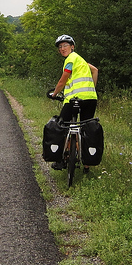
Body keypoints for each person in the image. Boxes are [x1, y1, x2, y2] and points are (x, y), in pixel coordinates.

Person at [47, 35, 98, 170]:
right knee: (86, 128)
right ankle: (87, 163)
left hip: (74, 99)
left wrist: (54, 94)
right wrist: (91, 88)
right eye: (60, 47)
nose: (62, 49)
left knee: (62, 126)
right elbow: (95, 70)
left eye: (65, 45)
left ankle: (61, 160)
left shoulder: (70, 60)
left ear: (72, 47)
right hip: (91, 98)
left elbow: (63, 80)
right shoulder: (80, 60)